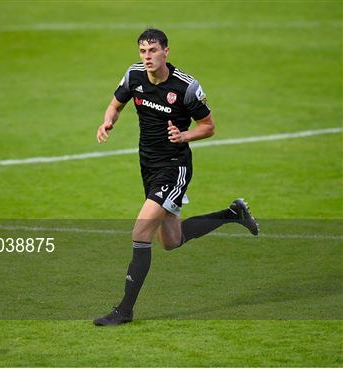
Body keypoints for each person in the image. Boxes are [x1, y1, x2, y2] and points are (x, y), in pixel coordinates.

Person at [93, 28, 259, 326]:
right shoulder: (134, 76)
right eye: (143, 51)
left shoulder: (186, 87)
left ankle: (124, 311)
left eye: (153, 51)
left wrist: (185, 135)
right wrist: (108, 121)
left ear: (166, 51)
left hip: (174, 167)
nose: (147, 57)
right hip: (148, 165)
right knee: (171, 240)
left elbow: (208, 126)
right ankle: (232, 213)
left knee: (140, 233)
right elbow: (115, 104)